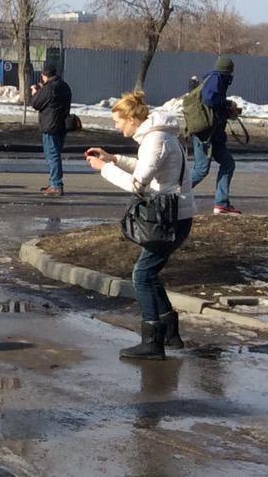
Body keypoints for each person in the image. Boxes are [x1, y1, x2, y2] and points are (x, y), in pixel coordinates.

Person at [85, 91, 195, 360]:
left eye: (117, 121)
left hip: (169, 219)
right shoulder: (159, 135)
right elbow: (147, 167)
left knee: (141, 275)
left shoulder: (156, 139)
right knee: (150, 273)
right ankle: (170, 333)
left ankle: (152, 342)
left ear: (132, 118)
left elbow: (139, 185)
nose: (116, 126)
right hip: (176, 216)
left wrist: (104, 169)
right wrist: (113, 159)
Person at [191, 55, 239, 215]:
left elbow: (213, 104)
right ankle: (171, 193)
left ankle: (221, 204)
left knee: (228, 164)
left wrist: (226, 110)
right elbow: (210, 100)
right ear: (229, 71)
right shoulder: (216, 79)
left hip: (214, 134)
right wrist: (226, 104)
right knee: (201, 169)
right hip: (206, 134)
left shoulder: (213, 79)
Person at [30, 62, 72, 197]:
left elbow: (36, 103)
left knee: (52, 156)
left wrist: (36, 92)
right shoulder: (64, 86)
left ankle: (56, 185)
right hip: (62, 124)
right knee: (56, 154)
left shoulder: (49, 88)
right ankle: (54, 182)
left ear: (44, 75)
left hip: (50, 125)